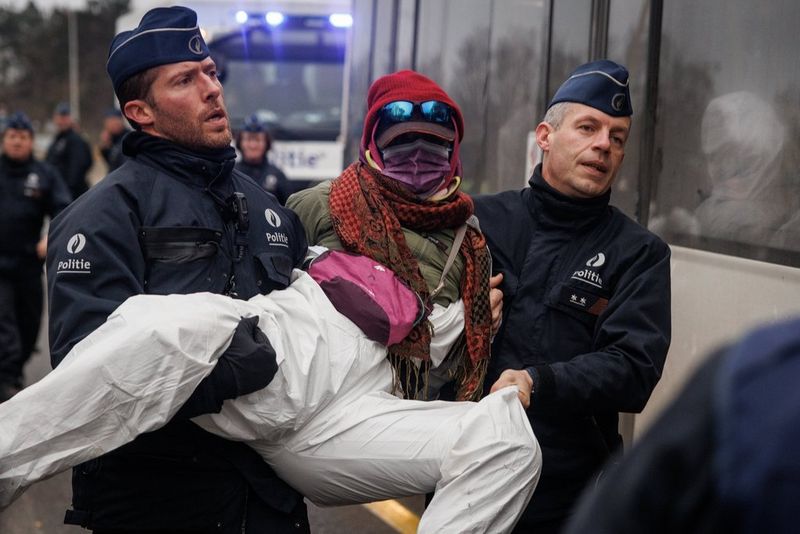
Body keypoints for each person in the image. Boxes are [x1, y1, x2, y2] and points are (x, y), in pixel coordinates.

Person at [46, 7, 311, 532]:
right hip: (155, 508)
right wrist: (225, 371)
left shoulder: (271, 211)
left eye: (211, 73)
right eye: (185, 80)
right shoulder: (101, 218)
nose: (211, 89)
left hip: (269, 507)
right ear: (140, 111)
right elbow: (87, 376)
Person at [473, 59, 672, 533]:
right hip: (467, 469)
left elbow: (633, 367)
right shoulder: (480, 221)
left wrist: (537, 383)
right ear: (545, 136)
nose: (604, 144)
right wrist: (461, 311)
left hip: (569, 494)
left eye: (617, 137)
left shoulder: (639, 253)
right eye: (588, 127)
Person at [288, 69, 515, 404]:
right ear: (373, 144)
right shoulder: (319, 205)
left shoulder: (468, 237)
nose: (418, 156)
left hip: (404, 415)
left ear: (452, 153)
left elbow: (454, 363)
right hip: (311, 399)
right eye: (401, 143)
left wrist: (478, 321)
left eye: (435, 145)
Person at [563, 317, 800, 534]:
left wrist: (540, 382)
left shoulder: (753, 373)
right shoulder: (756, 370)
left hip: (571, 473)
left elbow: (634, 366)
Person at [0, 112, 71, 402]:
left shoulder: (44, 174)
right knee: (5, 326)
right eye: (12, 137)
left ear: (31, 142)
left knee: (29, 326)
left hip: (29, 264)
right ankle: (7, 380)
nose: (17, 142)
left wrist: (49, 237)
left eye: (23, 137)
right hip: (0, 266)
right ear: (4, 140)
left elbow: (65, 209)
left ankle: (15, 367)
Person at [235, 113, 290, 204]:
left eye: (258, 140)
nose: (253, 145)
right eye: (248, 139)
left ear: (266, 143)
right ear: (240, 142)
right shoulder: (231, 173)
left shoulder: (277, 175)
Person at [45, 102, 93, 200]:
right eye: (60, 117)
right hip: (59, 192)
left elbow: (78, 168)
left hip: (72, 195)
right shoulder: (58, 139)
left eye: (65, 117)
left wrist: (66, 191)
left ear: (70, 119)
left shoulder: (75, 140)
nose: (62, 121)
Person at [98, 107, 129, 172]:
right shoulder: (112, 138)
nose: (109, 126)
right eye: (107, 123)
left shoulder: (128, 138)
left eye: (112, 122)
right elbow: (111, 161)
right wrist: (105, 148)